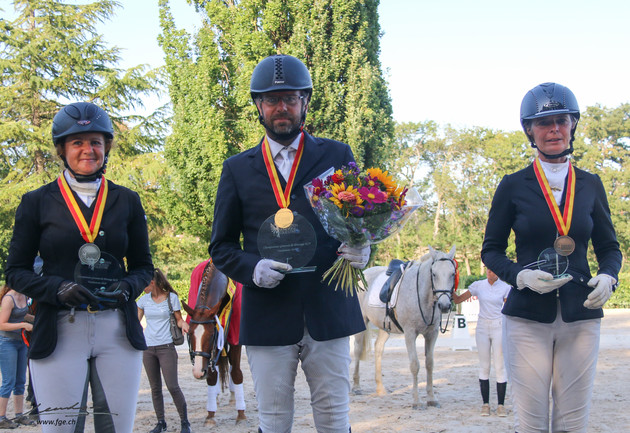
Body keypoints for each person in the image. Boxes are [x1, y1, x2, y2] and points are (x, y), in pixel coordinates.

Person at [209, 54, 370, 433]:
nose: (281, 107)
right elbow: (221, 246)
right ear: (258, 107)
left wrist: (363, 249)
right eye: (271, 100)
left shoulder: (337, 154)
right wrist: (251, 269)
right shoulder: (237, 168)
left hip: (327, 306)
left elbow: (359, 220)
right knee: (275, 419)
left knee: (333, 417)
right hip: (268, 311)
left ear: (305, 102)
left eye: (290, 99)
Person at [4, 101, 154, 432]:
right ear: (62, 150)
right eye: (78, 142)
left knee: (116, 428)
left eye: (95, 142)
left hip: (116, 328)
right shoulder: (36, 202)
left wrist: (128, 287)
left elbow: (144, 266)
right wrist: (55, 289)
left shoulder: (127, 200)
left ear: (106, 148)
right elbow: (15, 271)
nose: (88, 150)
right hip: (60, 327)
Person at [481, 82, 622, 433]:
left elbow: (609, 248)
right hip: (527, 317)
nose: (554, 129)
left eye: (561, 120)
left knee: (573, 422)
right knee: (531, 422)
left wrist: (608, 276)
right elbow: (491, 250)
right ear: (530, 130)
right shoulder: (512, 185)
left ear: (573, 124)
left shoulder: (590, 184)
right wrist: (519, 277)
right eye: (544, 123)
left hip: (582, 316)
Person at [187, 259, 244, 424]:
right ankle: (211, 408)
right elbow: (194, 301)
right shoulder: (199, 271)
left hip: (233, 301)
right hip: (205, 311)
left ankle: (240, 404)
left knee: (236, 335)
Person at [137, 268, 191, 433]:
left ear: (152, 283)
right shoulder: (143, 301)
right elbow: (136, 322)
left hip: (166, 347)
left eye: (144, 284)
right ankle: (161, 422)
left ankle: (185, 422)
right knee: (155, 388)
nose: (142, 287)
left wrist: (186, 326)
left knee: (173, 386)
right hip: (148, 349)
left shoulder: (171, 298)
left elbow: (179, 320)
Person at [452, 268, 511, 417]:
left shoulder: (505, 287)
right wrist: (449, 287)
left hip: (498, 325)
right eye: (488, 270)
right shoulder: (478, 285)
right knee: (484, 365)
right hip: (483, 327)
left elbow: (509, 307)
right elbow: (459, 300)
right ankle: (485, 404)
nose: (490, 273)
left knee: (500, 366)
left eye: (493, 271)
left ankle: (500, 405)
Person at [0, 285, 35, 428]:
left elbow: (22, 314)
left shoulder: (25, 296)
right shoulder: (9, 298)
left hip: (21, 342)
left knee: (21, 380)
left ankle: (19, 415)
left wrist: (37, 319)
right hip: (7, 343)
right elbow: (1, 325)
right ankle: (1, 418)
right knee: (9, 380)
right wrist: (24, 325)